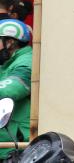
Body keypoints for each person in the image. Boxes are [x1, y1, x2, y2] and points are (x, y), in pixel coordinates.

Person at [0, 19, 31, 150]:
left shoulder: (27, 60)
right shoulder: (6, 63)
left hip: (16, 143)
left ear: (9, 42)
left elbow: (13, 88)